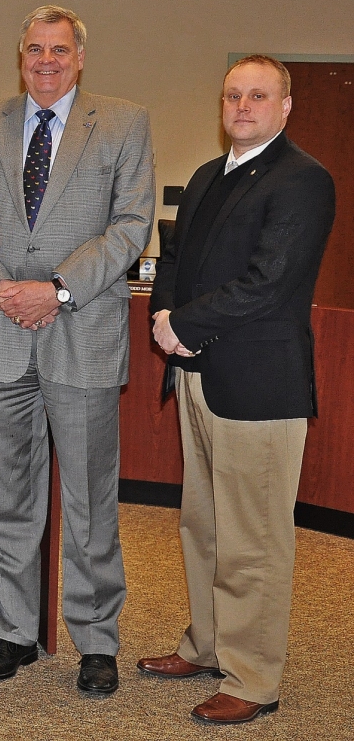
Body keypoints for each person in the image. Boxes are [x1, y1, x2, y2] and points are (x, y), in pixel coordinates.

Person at [0, 5, 155, 694]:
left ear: (80, 58)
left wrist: (57, 290)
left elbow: (130, 227)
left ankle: (95, 638)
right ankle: (14, 631)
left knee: (90, 495)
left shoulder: (122, 122)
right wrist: (3, 287)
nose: (46, 61)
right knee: (6, 493)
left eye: (59, 50)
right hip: (2, 330)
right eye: (35, 49)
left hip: (81, 333)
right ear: (21, 55)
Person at [141, 55, 335, 725]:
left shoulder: (303, 180)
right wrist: (165, 321)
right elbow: (173, 262)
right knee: (204, 525)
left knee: (253, 540)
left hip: (258, 386)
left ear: (286, 106)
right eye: (232, 95)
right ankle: (206, 645)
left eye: (258, 95)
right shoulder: (206, 175)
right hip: (196, 377)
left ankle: (252, 680)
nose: (242, 106)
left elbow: (269, 281)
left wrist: (183, 325)